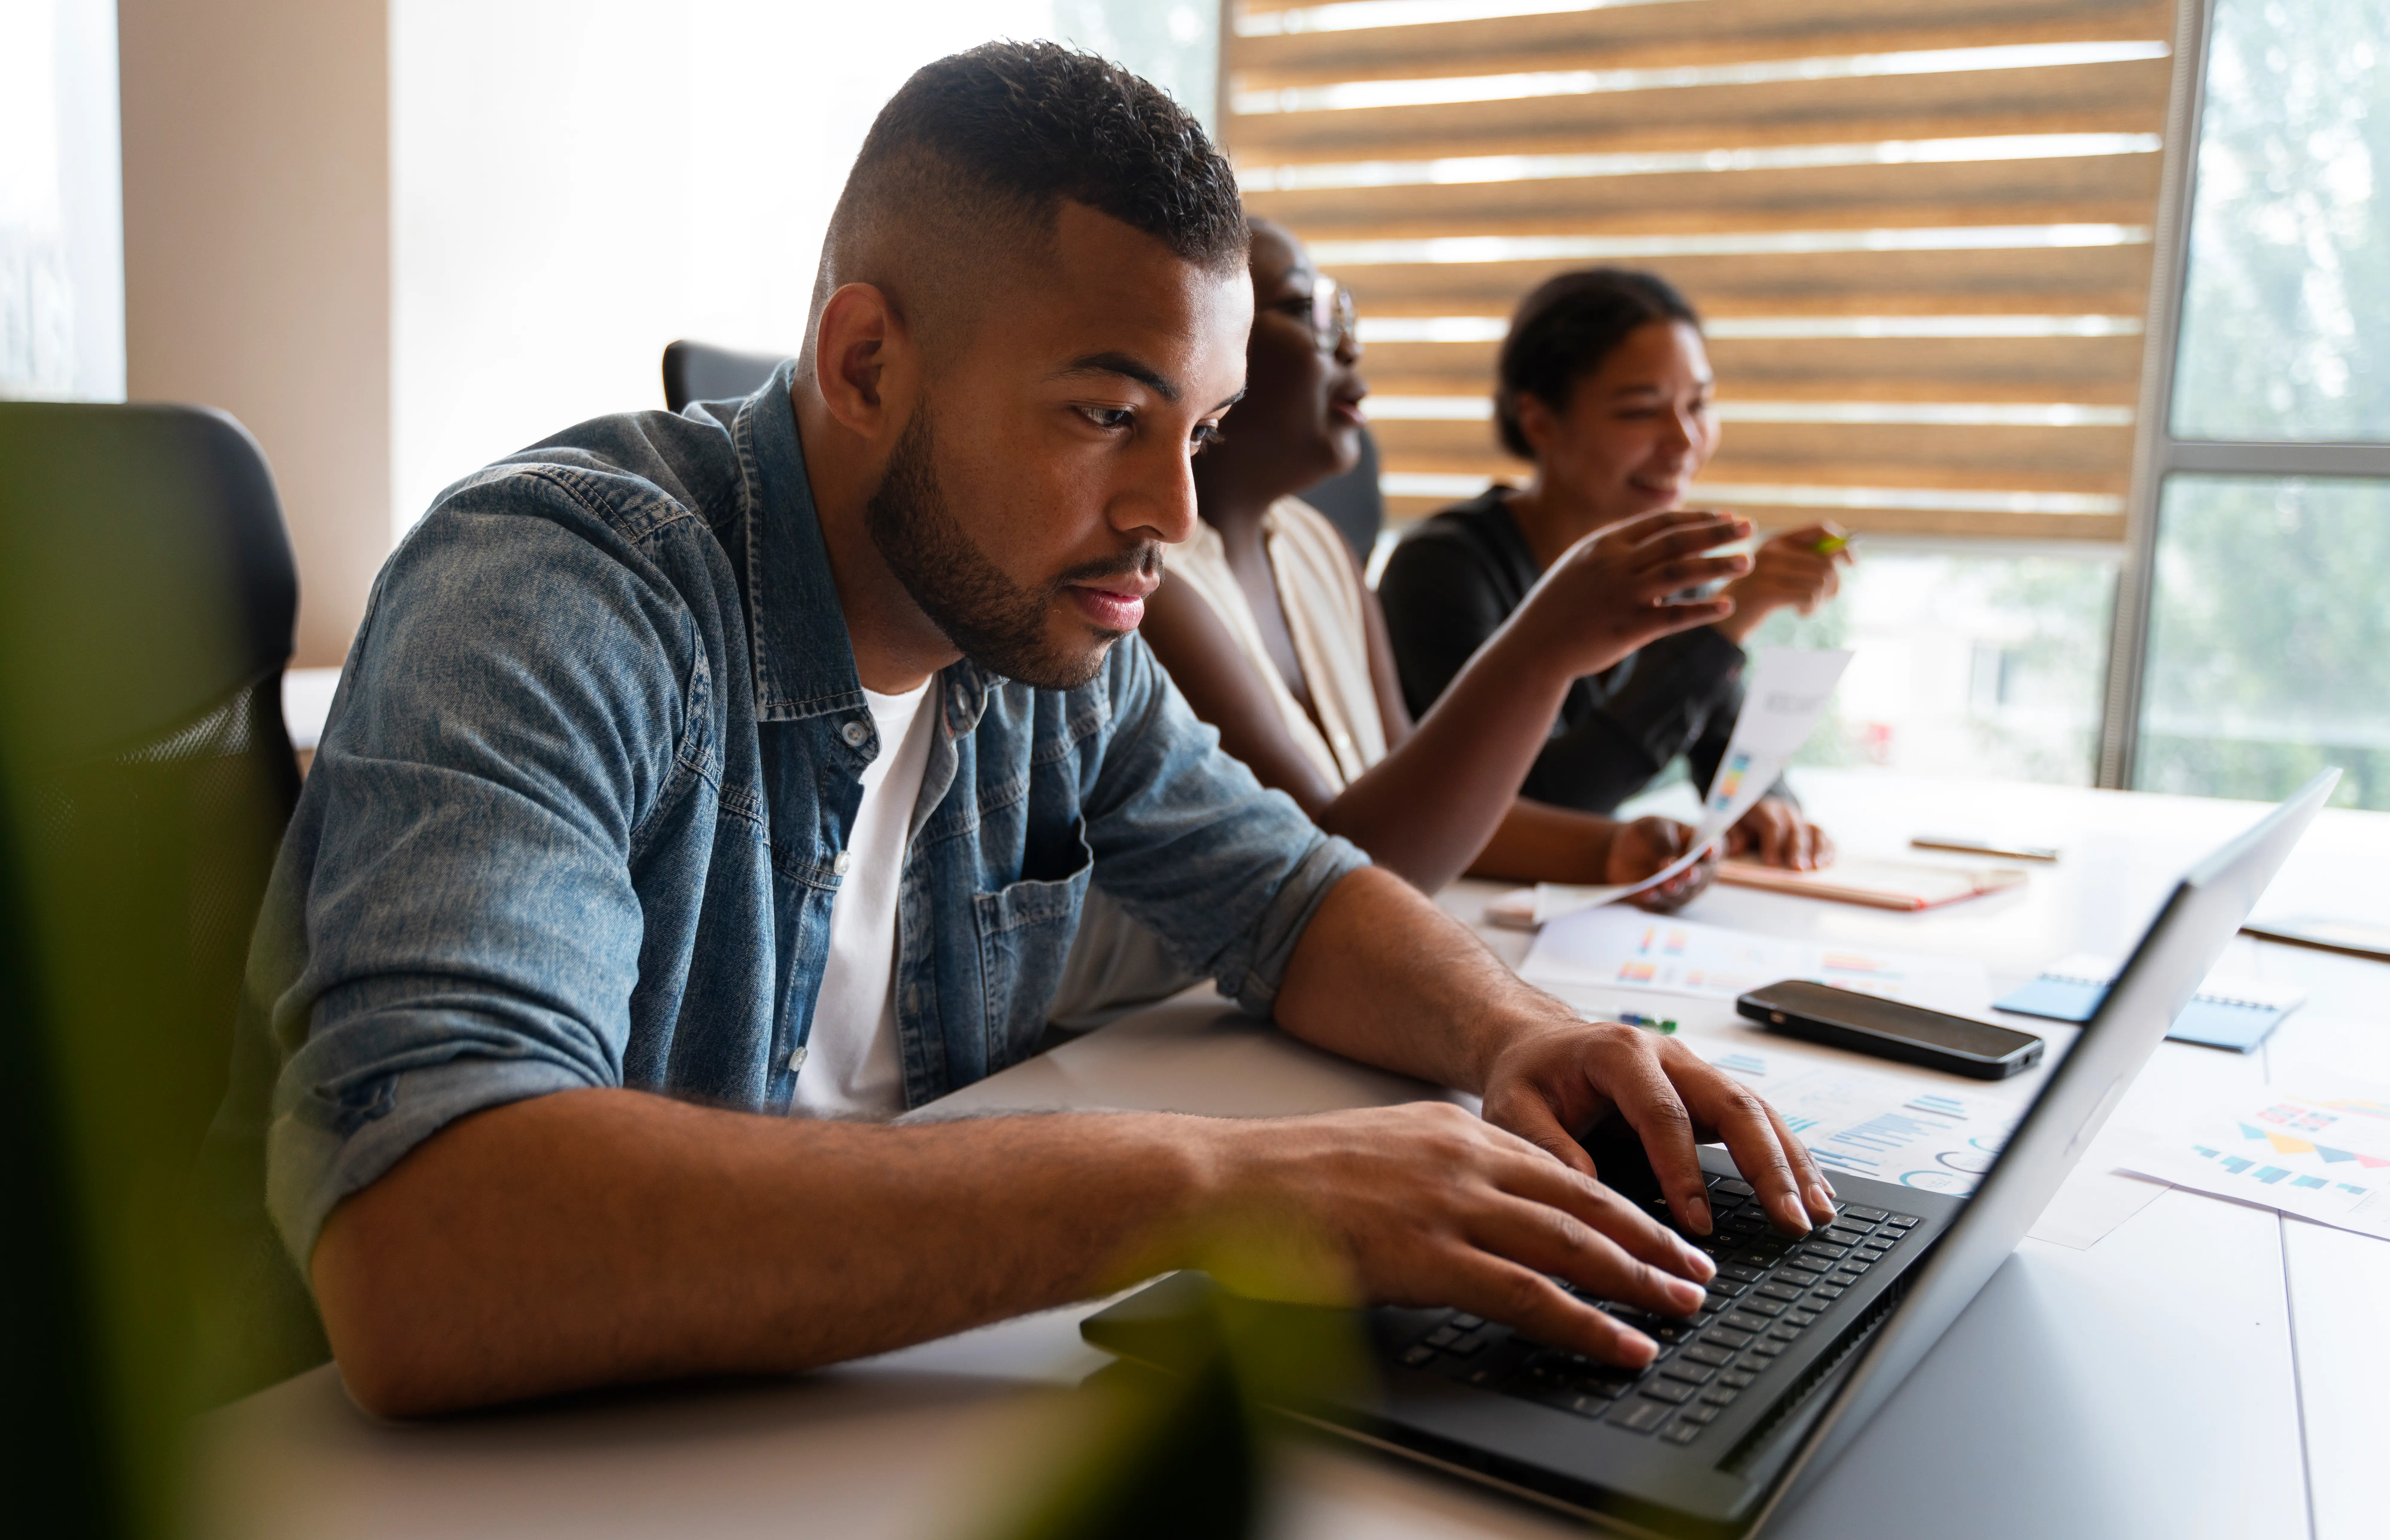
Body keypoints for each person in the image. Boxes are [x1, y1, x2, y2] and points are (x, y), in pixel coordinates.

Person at [204, 44, 1832, 1420]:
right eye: (1105, 414)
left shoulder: (1035, 639)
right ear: (863, 362)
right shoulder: (559, 590)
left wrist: (1506, 1032)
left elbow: (1290, 892)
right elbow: (430, 1241)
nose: (1168, 513)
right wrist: (1221, 1183)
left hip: (832, 1424)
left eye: (1194, 430)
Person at [1139, 219, 1750, 902]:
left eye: (1345, 311)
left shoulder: (1322, 550)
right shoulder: (1152, 588)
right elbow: (1327, 872)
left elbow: (1418, 793)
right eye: (1307, 310)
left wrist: (1612, 849)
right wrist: (1544, 644)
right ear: (1199, 341)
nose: (1350, 342)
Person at [1377, 268, 1851, 869]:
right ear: (1539, 421)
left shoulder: (1667, 568)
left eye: (1698, 404)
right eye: (1638, 412)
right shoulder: (1443, 570)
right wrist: (1725, 627)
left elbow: (1724, 755)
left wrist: (1763, 809)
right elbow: (1537, 804)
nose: (1684, 439)